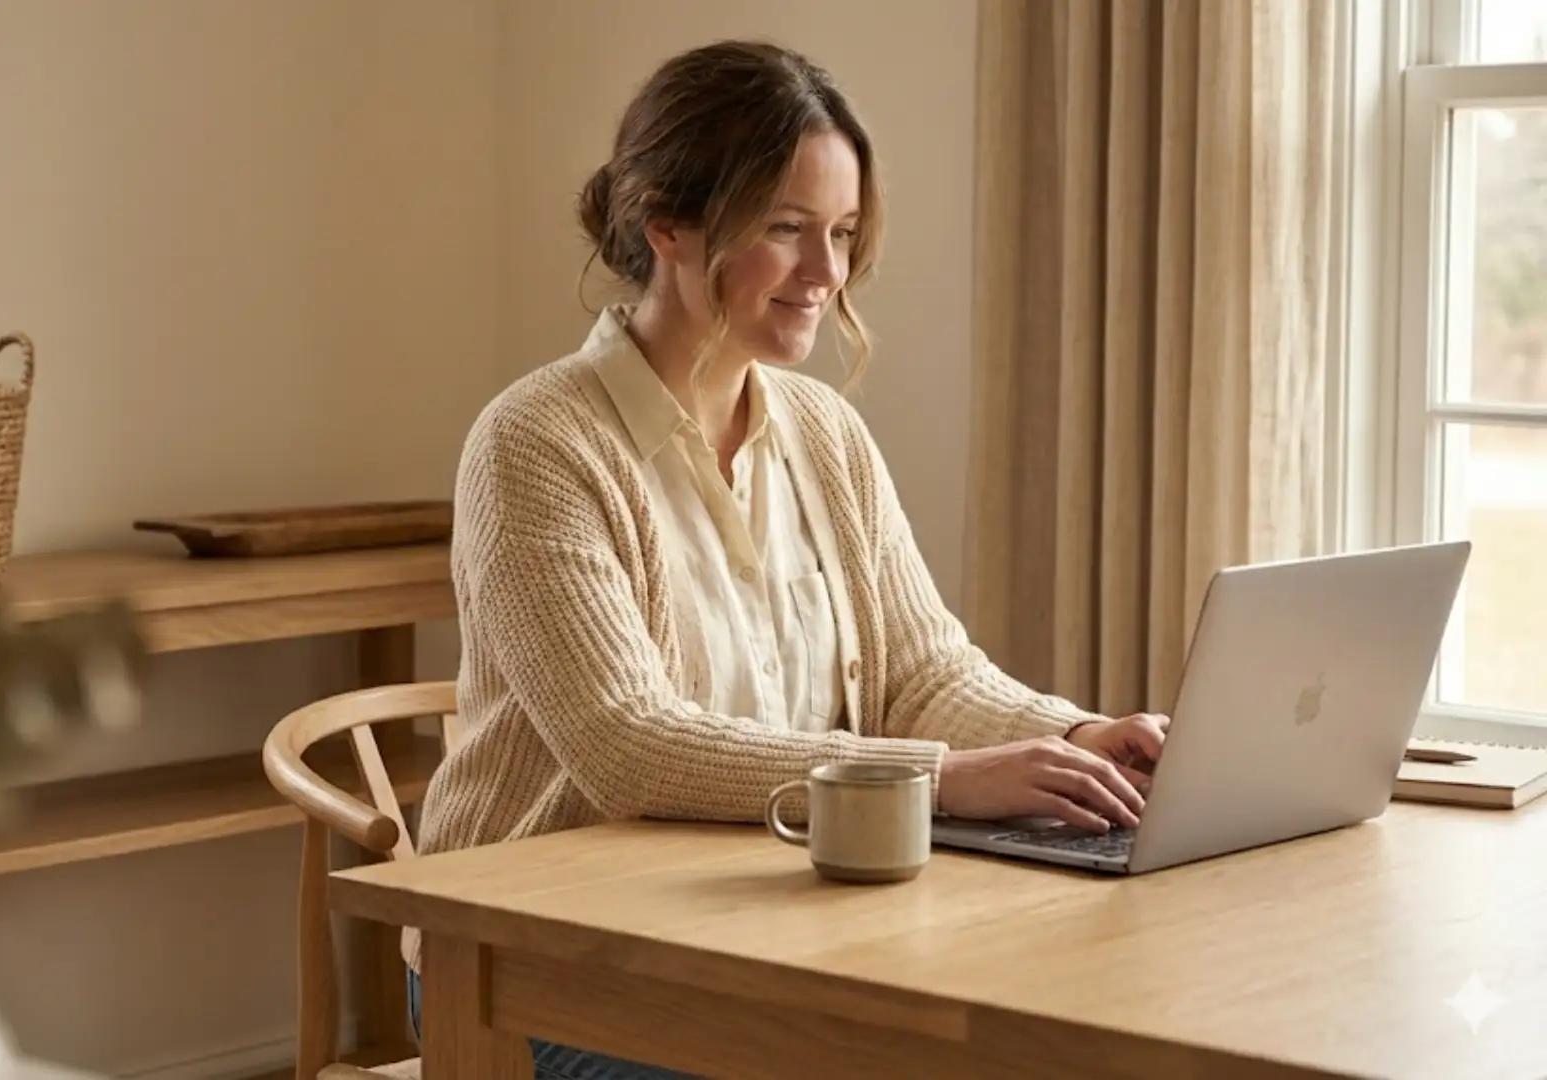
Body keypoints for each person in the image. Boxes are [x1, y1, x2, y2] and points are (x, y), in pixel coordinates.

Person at [404, 39, 1168, 1080]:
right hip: (533, 958)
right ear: (664, 222)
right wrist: (943, 780)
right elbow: (628, 746)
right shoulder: (535, 442)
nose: (827, 275)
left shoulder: (825, 432)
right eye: (787, 229)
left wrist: (1076, 736)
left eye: (845, 234)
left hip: (764, 926)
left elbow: (922, 673)